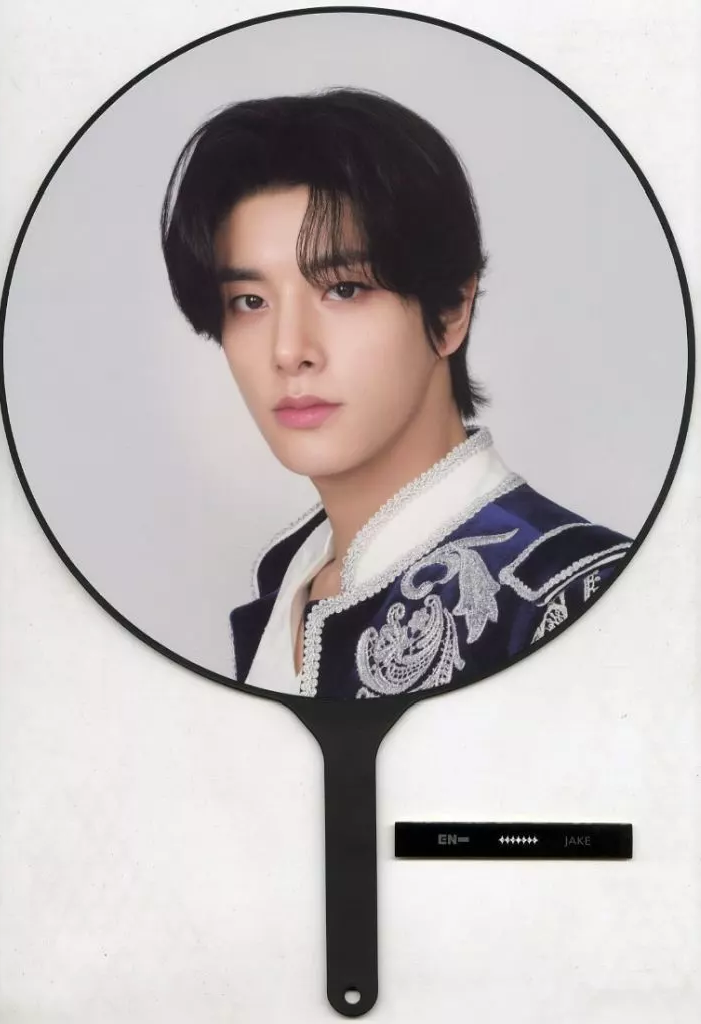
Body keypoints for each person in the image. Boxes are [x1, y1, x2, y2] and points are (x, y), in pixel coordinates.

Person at [160, 88, 631, 699]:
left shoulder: (577, 593)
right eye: (250, 301)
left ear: (451, 310)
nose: (289, 350)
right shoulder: (286, 581)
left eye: (344, 289)